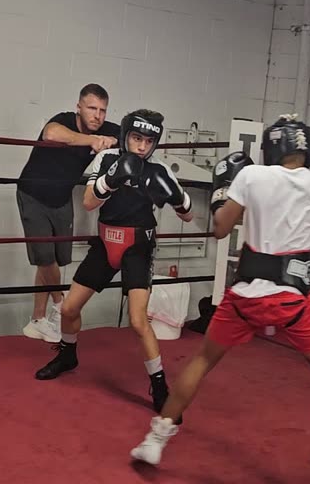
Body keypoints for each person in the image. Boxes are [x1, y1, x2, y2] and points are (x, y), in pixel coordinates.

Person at [129, 115, 310, 484]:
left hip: (246, 296)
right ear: (307, 149)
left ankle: (155, 440)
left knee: (202, 360)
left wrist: (224, 189)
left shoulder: (252, 177)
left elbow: (220, 228)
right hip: (293, 301)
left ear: (270, 147)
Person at [34, 109, 195, 415]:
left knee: (137, 320)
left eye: (149, 140)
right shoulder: (107, 159)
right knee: (68, 308)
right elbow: (88, 202)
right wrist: (113, 179)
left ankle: (159, 384)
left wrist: (178, 198)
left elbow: (188, 216)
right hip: (106, 242)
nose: (142, 147)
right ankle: (68, 354)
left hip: (138, 247)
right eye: (137, 138)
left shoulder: (160, 169)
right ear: (125, 136)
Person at [16, 84, 119, 343]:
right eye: (92, 108)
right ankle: (61, 305)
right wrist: (93, 141)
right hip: (33, 194)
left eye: (102, 111)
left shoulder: (105, 128)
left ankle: (37, 320)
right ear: (79, 107)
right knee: (44, 257)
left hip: (61, 199)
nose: (97, 116)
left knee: (57, 260)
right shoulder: (63, 120)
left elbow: (129, 135)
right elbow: (51, 134)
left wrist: (112, 141)